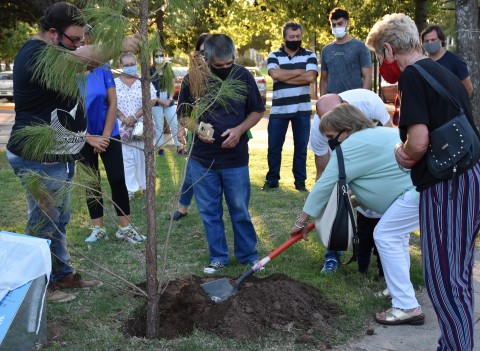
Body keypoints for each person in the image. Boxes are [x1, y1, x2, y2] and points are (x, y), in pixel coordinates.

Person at [6, 2, 140, 303]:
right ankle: (38, 286)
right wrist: (122, 42)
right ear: (53, 33)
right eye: (74, 39)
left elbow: (87, 62)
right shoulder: (36, 53)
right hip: (37, 156)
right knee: (44, 221)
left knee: (59, 217)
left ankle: (63, 273)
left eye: (82, 39)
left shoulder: (56, 49)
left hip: (58, 154)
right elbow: (85, 57)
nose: (79, 44)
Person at [366, 13, 480, 350]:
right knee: (457, 278)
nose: (383, 64)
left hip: (448, 187)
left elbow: (417, 142)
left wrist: (403, 154)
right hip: (469, 178)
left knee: (445, 280)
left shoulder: (412, 76)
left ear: (388, 49)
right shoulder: (441, 70)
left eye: (379, 56)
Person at [292, 104, 424, 326]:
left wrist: (302, 220)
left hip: (418, 193)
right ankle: (397, 290)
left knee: (385, 235)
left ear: (346, 129)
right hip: (421, 190)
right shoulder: (378, 133)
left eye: (332, 136)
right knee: (396, 237)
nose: (330, 143)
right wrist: (357, 199)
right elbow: (379, 174)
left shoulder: (351, 145)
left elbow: (324, 185)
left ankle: (407, 306)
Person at [176, 34, 265, 273]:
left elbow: (257, 110)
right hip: (202, 158)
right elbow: (184, 115)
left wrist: (239, 130)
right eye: (219, 66)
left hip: (235, 158)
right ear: (206, 58)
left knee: (239, 209)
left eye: (229, 63)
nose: (225, 69)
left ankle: (248, 255)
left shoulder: (243, 75)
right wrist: (196, 130)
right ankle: (218, 256)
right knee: (209, 211)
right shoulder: (192, 80)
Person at [310, 89, 392, 274]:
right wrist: (322, 205)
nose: (328, 124)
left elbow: (390, 143)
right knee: (333, 199)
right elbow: (322, 171)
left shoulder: (368, 101)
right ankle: (333, 254)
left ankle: (385, 258)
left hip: (373, 156)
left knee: (381, 209)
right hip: (340, 160)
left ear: (345, 109)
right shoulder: (319, 129)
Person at [78, 29, 143, 245]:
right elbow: (67, 110)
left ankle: (126, 228)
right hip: (82, 135)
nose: (81, 45)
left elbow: (112, 103)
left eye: (85, 41)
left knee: (117, 178)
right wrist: (89, 138)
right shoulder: (68, 72)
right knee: (91, 182)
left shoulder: (103, 68)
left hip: (109, 132)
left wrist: (105, 136)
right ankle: (98, 229)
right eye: (78, 42)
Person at [262, 22, 318, 192]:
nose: (295, 39)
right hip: (279, 110)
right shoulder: (273, 55)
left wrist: (284, 76)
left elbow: (311, 77)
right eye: (291, 37)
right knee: (274, 147)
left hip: (302, 109)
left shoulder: (310, 55)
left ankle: (300, 182)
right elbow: (275, 74)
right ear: (284, 37)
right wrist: (300, 72)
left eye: (298, 37)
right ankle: (272, 180)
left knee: (301, 148)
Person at [170, 33, 210, 221]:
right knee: (192, 170)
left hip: (227, 134)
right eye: (203, 52)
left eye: (210, 51)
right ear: (196, 54)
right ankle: (183, 207)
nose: (206, 56)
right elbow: (184, 108)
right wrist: (184, 129)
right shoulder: (189, 79)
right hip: (199, 131)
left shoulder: (227, 76)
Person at [115, 52, 157, 199]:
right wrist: (122, 117)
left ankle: (147, 187)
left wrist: (135, 116)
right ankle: (130, 190)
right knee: (126, 158)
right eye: (126, 65)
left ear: (136, 63)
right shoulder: (115, 83)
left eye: (132, 64)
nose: (129, 67)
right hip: (123, 126)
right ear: (120, 66)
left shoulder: (144, 81)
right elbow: (110, 102)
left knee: (143, 156)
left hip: (142, 124)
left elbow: (152, 100)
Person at [319, 7, 372, 96]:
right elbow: (323, 80)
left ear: (348, 22)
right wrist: (322, 101)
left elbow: (368, 78)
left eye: (340, 23)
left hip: (354, 99)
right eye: (334, 25)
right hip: (333, 100)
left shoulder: (360, 47)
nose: (336, 27)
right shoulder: (326, 51)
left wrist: (363, 99)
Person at [420, 25, 473, 97]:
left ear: (441, 40)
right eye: (426, 41)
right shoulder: (421, 64)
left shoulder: (455, 61)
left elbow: (468, 89)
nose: (430, 43)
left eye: (433, 40)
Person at [150, 49, 184, 156]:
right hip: (156, 100)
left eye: (161, 55)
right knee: (159, 125)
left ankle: (179, 147)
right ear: (153, 57)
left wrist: (169, 99)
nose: (159, 57)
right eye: (156, 56)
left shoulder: (167, 69)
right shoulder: (150, 70)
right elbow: (149, 88)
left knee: (174, 122)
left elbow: (172, 85)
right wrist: (159, 100)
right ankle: (160, 148)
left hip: (168, 99)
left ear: (164, 56)